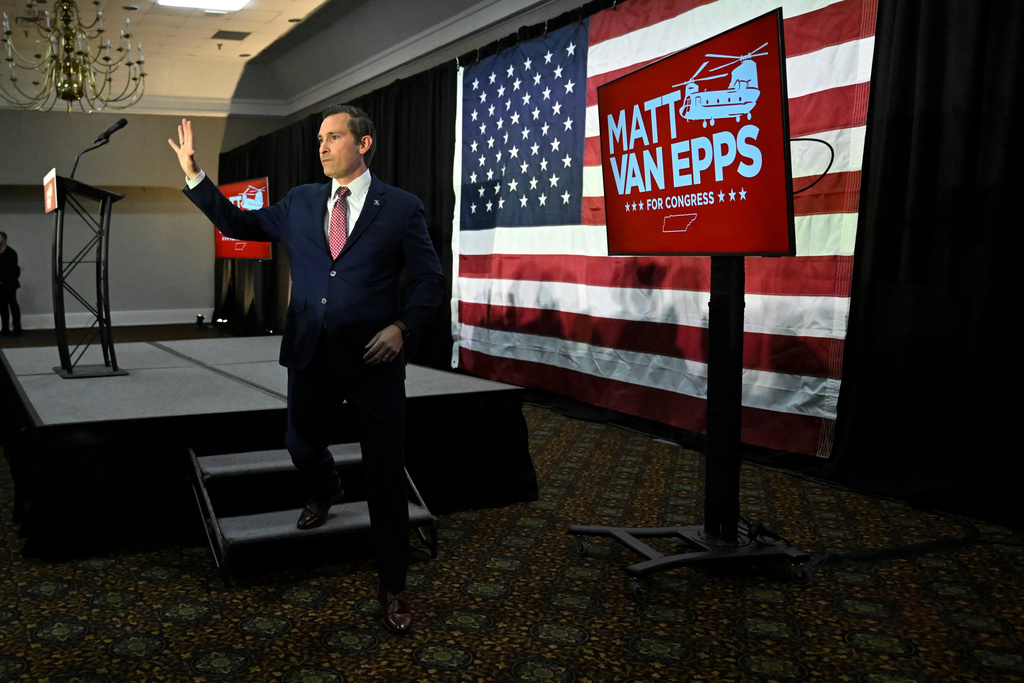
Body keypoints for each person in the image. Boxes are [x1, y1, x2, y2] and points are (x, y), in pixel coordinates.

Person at [168, 105, 445, 635]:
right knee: (300, 444)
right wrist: (193, 174)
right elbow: (236, 222)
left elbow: (431, 282)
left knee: (386, 478)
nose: (321, 146)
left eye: (333, 137)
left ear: (363, 145)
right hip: (311, 353)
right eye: (319, 138)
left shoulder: (402, 207)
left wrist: (402, 329)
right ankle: (325, 486)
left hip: (374, 360)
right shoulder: (299, 201)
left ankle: (393, 585)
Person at [0, 232, 21, 337]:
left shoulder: (11, 253)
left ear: (3, 239)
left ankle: (17, 329)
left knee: (13, 305)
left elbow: (11, 269)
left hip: (10, 284)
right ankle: (5, 329)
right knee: (2, 307)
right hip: (1, 284)